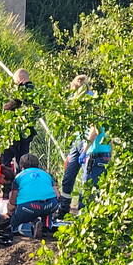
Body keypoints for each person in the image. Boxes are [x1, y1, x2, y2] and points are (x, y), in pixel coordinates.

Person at [58, 74, 93, 215]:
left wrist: (85, 150)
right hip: (77, 142)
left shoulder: (90, 99)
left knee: (87, 180)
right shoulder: (74, 99)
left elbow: (93, 128)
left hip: (89, 144)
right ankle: (64, 208)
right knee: (68, 177)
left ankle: (82, 212)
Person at [7, 154, 61, 239]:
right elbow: (57, 195)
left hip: (29, 207)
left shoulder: (19, 176)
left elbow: (14, 195)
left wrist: (11, 206)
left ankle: (29, 228)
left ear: (22, 167)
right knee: (47, 210)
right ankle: (46, 227)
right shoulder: (46, 174)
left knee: (14, 225)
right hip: (50, 205)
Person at [0, 68, 36, 169]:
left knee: (5, 158)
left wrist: (6, 106)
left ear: (21, 79)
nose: (15, 84)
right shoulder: (35, 92)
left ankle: (7, 181)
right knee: (22, 159)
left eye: (16, 81)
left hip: (16, 131)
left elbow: (12, 105)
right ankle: (19, 178)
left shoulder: (24, 91)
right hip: (27, 132)